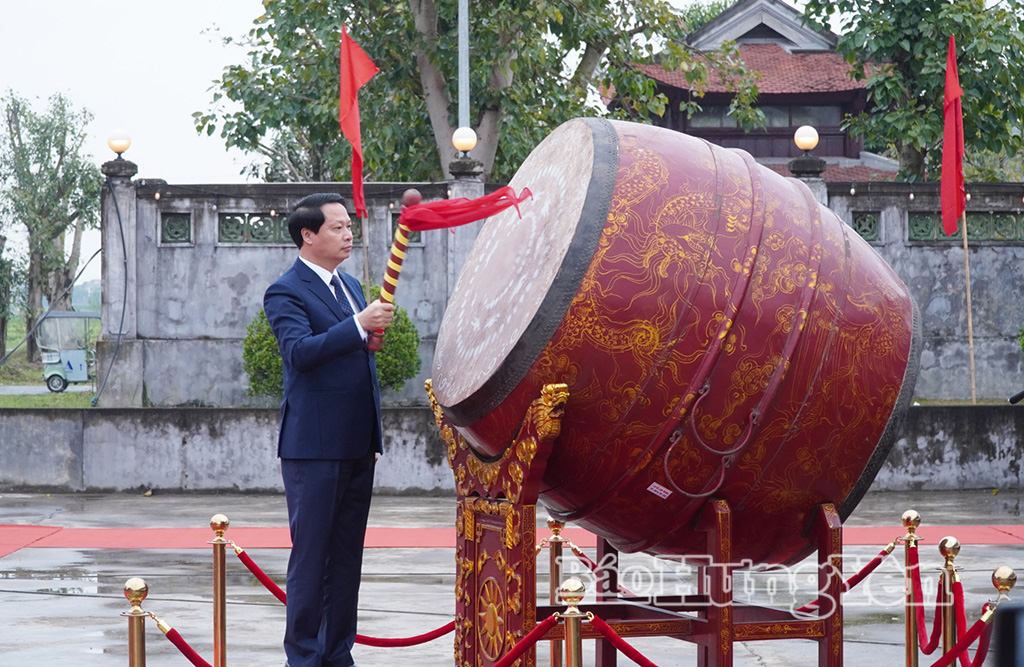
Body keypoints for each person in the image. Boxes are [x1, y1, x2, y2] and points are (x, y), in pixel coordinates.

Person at [263, 192, 394, 667]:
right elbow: (299, 352)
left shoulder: (352, 285)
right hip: (313, 447)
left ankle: (338, 653)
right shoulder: (286, 291)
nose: (347, 234)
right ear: (308, 234)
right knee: (312, 558)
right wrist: (359, 325)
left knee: (345, 559)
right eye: (337, 227)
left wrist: (365, 333)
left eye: (348, 226)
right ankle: (302, 656)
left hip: (358, 443)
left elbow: (358, 361)